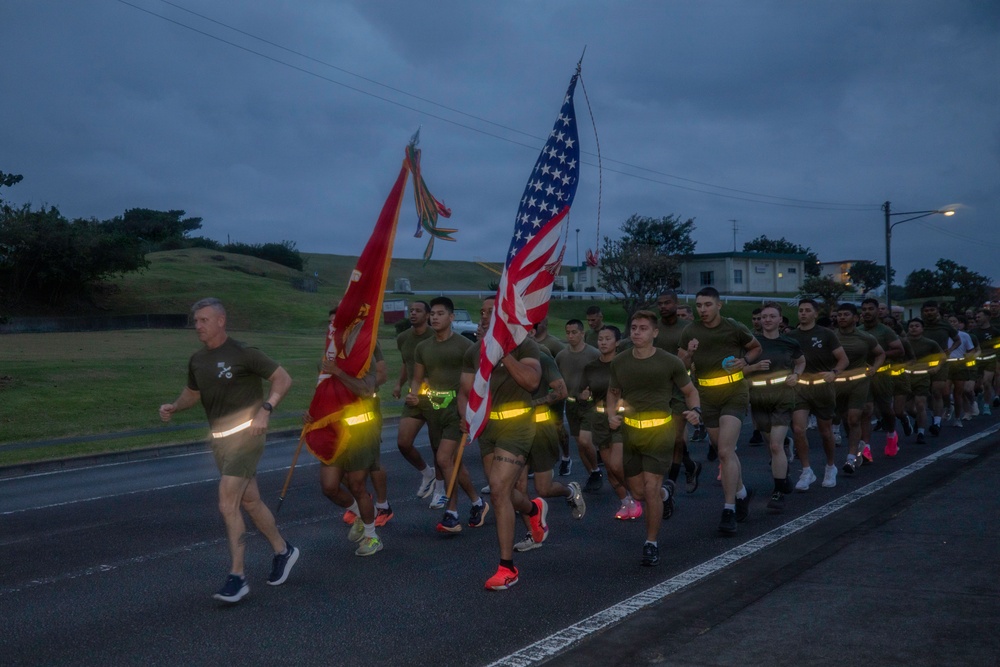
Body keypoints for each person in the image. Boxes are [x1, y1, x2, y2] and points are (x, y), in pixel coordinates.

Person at [159, 297, 297, 603]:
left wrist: (266, 409)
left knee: (227, 501)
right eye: (195, 321)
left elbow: (283, 379)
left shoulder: (244, 353)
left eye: (203, 320)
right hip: (219, 440)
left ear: (221, 321)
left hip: (246, 436)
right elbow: (193, 392)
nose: (198, 326)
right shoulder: (197, 359)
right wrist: (175, 406)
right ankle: (283, 549)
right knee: (250, 501)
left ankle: (238, 577)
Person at [459, 297, 548, 591]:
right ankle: (534, 511)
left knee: (497, 491)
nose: (484, 318)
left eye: (490, 313)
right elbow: (465, 392)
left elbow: (532, 382)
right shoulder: (473, 351)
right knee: (505, 494)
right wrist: (466, 418)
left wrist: (503, 354)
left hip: (518, 424)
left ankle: (507, 567)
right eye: (481, 313)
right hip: (488, 428)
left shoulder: (525, 345)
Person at [608, 310, 701, 566]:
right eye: (634, 327)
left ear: (655, 333)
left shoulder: (670, 362)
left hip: (660, 432)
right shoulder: (620, 361)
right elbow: (613, 393)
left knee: (649, 489)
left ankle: (651, 543)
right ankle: (665, 495)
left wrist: (695, 410)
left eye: (643, 328)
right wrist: (610, 414)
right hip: (630, 432)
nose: (637, 332)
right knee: (639, 492)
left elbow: (690, 391)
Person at [678, 287, 761, 536]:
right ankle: (742, 493)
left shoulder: (733, 327)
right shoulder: (690, 330)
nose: (702, 310)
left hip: (734, 392)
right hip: (706, 397)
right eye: (699, 305)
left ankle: (728, 510)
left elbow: (755, 347)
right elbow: (681, 366)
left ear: (719, 305)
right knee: (723, 452)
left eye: (707, 305)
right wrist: (690, 353)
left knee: (726, 450)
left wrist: (745, 361)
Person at [406, 297, 488, 533]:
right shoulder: (423, 348)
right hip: (434, 409)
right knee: (453, 463)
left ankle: (451, 513)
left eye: (440, 314)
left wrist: (470, 412)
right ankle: (477, 502)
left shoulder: (464, 345)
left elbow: (476, 380)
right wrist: (413, 394)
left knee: (443, 460)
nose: (434, 317)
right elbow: (417, 378)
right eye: (433, 314)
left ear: (452, 317)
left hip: (457, 409)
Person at [513, 348, 585, 552]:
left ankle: (570, 491)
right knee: (518, 484)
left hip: (540, 428)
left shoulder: (541, 358)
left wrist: (533, 403)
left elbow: (561, 391)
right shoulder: (505, 359)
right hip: (515, 430)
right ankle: (533, 533)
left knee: (543, 489)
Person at [744, 303, 805, 513]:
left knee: (776, 446)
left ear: (780, 320)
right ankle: (784, 475)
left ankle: (778, 491)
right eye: (764, 316)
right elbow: (737, 367)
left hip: (783, 396)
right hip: (759, 398)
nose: (767, 320)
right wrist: (753, 367)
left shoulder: (790, 343)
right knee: (771, 443)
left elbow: (801, 362)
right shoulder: (751, 343)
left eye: (772, 316)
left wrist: (796, 375)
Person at [787, 299, 849, 491]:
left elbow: (843, 359)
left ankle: (830, 467)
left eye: (807, 310)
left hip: (822, 387)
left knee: (825, 432)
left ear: (815, 313)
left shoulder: (826, 334)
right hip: (800, 387)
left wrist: (834, 372)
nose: (803, 313)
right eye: (800, 310)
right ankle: (807, 470)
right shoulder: (790, 336)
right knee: (798, 430)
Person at [579, 325, 633, 518]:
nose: (602, 342)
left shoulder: (625, 364)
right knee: (609, 467)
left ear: (617, 342)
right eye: (600, 339)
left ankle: (639, 492)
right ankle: (626, 502)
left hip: (621, 417)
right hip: (599, 419)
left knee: (617, 465)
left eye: (608, 338)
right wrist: (582, 394)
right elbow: (580, 391)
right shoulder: (591, 367)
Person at [392, 301, 441, 504]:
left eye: (418, 311)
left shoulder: (435, 336)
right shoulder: (403, 338)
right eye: (411, 310)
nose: (413, 313)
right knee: (403, 442)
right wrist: (398, 384)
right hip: (414, 396)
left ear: (428, 315)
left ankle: (440, 489)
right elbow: (407, 363)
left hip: (436, 397)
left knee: (437, 447)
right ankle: (426, 473)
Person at [653, 291, 701, 494]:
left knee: (676, 436)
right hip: (658, 388)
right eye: (660, 303)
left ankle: (670, 483)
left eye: (667, 302)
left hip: (681, 387)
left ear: (676, 303)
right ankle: (690, 466)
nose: (663, 306)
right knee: (664, 437)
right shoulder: (654, 329)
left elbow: (691, 360)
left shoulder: (688, 329)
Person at [833, 303, 885, 474]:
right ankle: (857, 445)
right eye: (839, 314)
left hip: (859, 382)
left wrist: (874, 368)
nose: (841, 317)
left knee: (854, 418)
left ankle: (850, 458)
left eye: (846, 314)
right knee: (845, 419)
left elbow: (880, 354)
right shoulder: (831, 337)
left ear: (856, 318)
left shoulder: (865, 337)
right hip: (838, 382)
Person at [556, 320, 602, 491]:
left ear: (582, 333)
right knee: (580, 443)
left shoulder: (594, 353)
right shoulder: (561, 355)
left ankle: (596, 469)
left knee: (585, 440)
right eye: (568, 332)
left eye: (574, 332)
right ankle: (592, 474)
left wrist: (592, 390)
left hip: (589, 405)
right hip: (571, 404)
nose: (570, 336)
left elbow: (603, 376)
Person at [859, 298, 905, 456]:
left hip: (883, 374)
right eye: (864, 309)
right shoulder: (858, 330)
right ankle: (866, 448)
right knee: (866, 410)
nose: (867, 312)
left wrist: (881, 354)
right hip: (864, 375)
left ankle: (892, 434)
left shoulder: (885, 331)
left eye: (870, 309)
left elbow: (900, 350)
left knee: (886, 410)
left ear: (878, 311)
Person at [532, 319, 571, 474]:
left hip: (550, 391)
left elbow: (561, 364)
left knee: (557, 426)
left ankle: (566, 457)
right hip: (535, 395)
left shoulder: (549, 347)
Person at [919, 301, 960, 435]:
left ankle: (937, 422)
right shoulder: (919, 325)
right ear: (922, 312)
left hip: (940, 362)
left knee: (937, 391)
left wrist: (950, 350)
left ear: (937, 311)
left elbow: (957, 340)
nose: (929, 313)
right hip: (922, 362)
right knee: (927, 394)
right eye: (926, 310)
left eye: (932, 310)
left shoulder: (945, 325)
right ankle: (931, 415)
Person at [904, 318, 945, 443]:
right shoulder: (903, 342)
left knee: (920, 404)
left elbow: (942, 356)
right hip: (905, 377)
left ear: (922, 329)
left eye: (917, 326)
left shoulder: (930, 343)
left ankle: (920, 433)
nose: (914, 328)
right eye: (911, 326)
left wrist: (936, 368)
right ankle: (919, 419)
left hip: (922, 376)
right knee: (908, 408)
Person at [973, 309, 1000, 413]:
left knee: (987, 382)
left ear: (987, 317)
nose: (977, 319)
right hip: (977, 360)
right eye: (976, 317)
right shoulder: (973, 332)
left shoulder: (995, 331)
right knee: (977, 386)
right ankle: (979, 394)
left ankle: (986, 405)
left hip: (990, 359)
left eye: (979, 317)